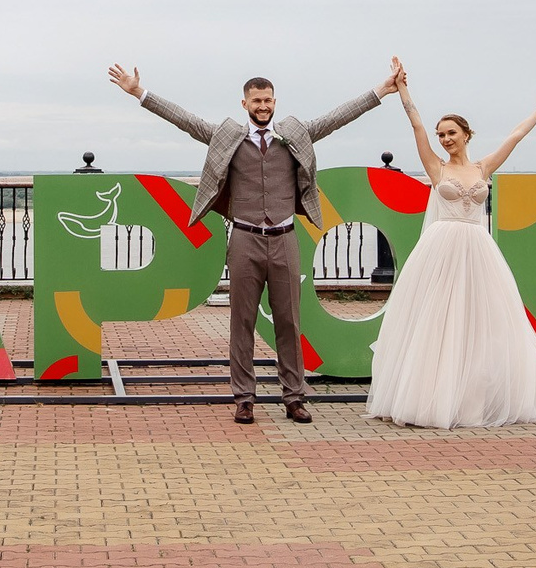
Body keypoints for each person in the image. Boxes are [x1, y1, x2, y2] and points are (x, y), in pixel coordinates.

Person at [108, 59, 401, 422]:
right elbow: (184, 120)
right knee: (241, 321)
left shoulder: (295, 132)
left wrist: (380, 91)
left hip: (285, 239)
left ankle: (294, 397)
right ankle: (244, 398)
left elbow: (336, 117)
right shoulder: (226, 135)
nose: (263, 106)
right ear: (244, 104)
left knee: (290, 322)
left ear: (275, 103)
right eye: (257, 101)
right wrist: (139, 92)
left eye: (269, 100)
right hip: (244, 239)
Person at [367, 69, 536, 428]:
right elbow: (417, 127)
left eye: (451, 133)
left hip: (478, 251)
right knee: (438, 323)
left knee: (481, 325)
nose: (444, 139)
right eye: (442, 134)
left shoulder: (484, 166)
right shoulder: (436, 168)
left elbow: (516, 137)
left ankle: (472, 399)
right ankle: (431, 397)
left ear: (466, 134)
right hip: (442, 251)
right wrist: (404, 89)